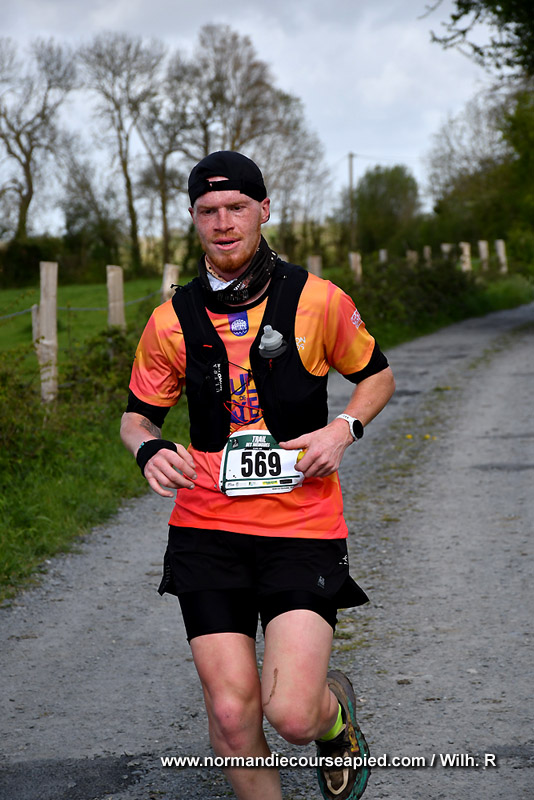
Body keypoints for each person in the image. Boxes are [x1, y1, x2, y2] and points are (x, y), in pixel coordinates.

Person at [120, 150, 395, 800]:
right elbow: (137, 418)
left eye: (236, 207)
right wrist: (148, 448)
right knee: (229, 713)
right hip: (207, 527)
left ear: (263, 209)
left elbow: (377, 377)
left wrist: (342, 429)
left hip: (302, 524)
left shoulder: (317, 300)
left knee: (293, 715)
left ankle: (334, 717)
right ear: (194, 218)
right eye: (208, 210)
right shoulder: (171, 319)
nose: (223, 222)